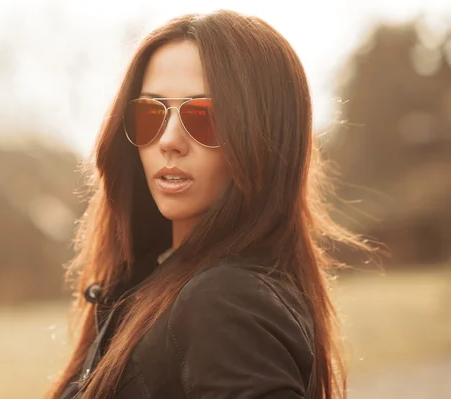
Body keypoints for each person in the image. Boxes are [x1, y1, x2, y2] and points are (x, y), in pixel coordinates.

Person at [46, 9, 373, 399]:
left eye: (203, 116)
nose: (169, 139)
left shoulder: (225, 302)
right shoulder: (150, 284)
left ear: (262, 136)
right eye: (151, 113)